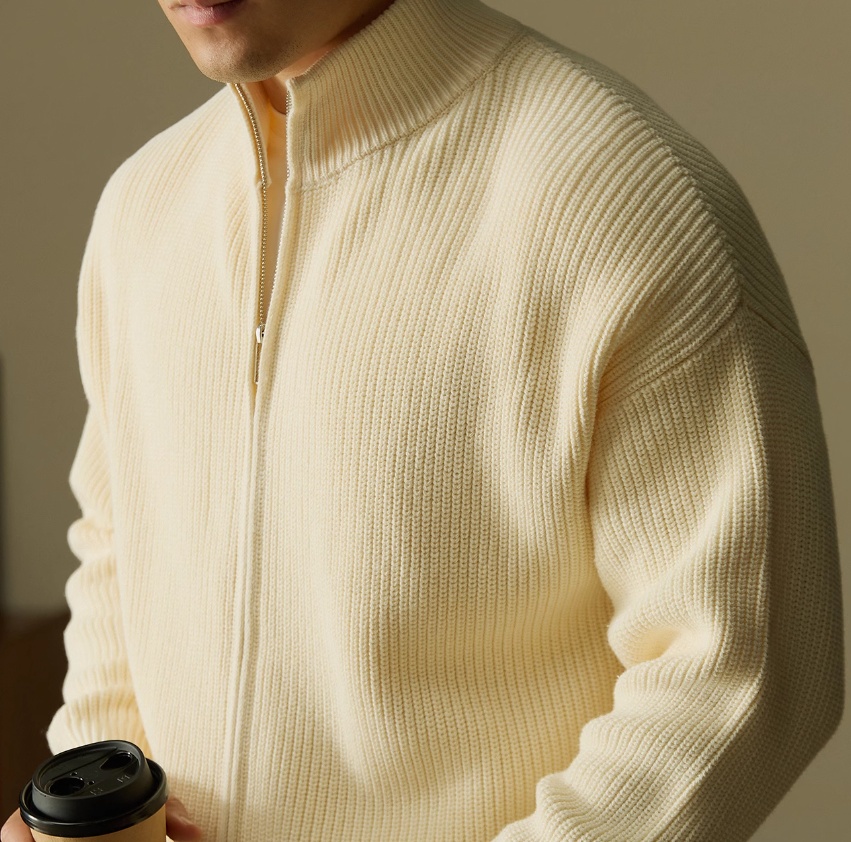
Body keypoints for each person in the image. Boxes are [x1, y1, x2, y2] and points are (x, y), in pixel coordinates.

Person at [2, 0, 845, 840]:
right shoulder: (145, 204)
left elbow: (733, 675)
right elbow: (120, 549)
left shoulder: (628, 203)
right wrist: (87, 820)